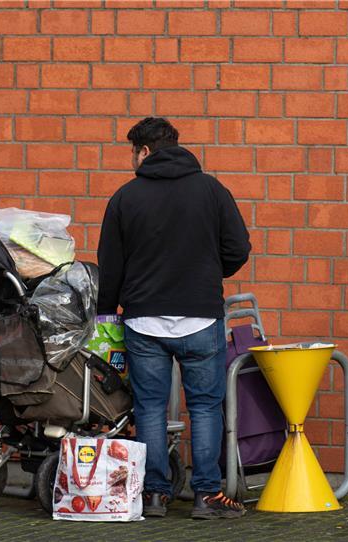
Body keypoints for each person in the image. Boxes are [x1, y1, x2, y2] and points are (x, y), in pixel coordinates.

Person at [97, 117, 251, 519]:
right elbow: (238, 248)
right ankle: (205, 497)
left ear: (144, 151)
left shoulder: (125, 198)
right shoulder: (212, 190)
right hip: (201, 319)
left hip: (143, 321)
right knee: (203, 407)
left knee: (149, 407)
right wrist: (208, 274)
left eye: (133, 152)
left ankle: (153, 496)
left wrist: (104, 312)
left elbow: (110, 265)